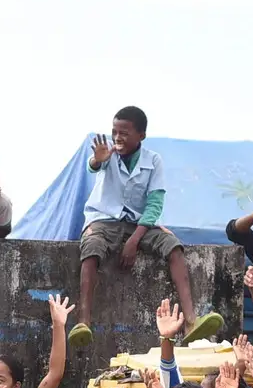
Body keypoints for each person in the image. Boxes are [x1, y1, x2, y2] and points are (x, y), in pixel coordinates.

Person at [70, 107, 219, 348]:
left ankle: (191, 321)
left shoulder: (154, 161)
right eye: (114, 132)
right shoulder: (107, 154)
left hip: (139, 224)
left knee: (173, 246)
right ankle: (84, 321)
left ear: (141, 135)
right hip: (104, 220)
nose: (117, 137)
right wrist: (97, 159)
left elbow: (154, 204)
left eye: (124, 133)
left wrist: (134, 240)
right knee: (91, 247)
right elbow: (93, 166)